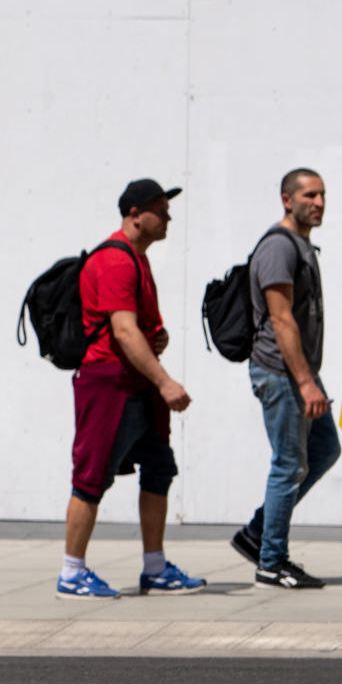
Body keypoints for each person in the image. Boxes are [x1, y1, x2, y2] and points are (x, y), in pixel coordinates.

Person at [57, 178, 205, 600]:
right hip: (109, 384)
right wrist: (166, 382)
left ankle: (155, 568)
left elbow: (133, 327)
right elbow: (122, 330)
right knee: (91, 477)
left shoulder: (137, 259)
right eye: (161, 208)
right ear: (135, 215)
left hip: (134, 385)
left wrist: (156, 340)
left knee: (159, 467)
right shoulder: (116, 261)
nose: (169, 216)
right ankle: (71, 572)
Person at [230, 169, 337, 589]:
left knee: (324, 449)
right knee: (289, 465)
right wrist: (305, 383)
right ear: (286, 200)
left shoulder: (300, 244)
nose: (320, 202)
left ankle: (258, 532)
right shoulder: (279, 247)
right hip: (282, 373)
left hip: (300, 372)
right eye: (310, 194)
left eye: (323, 194)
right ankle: (271, 562)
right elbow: (280, 318)